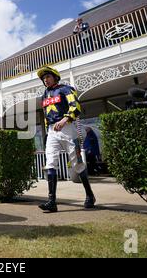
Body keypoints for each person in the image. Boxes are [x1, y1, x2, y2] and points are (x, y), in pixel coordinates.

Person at [37, 66, 96, 213]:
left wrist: (64, 120)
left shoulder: (65, 89)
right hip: (51, 131)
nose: (45, 80)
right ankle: (52, 201)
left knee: (77, 163)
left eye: (48, 77)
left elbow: (75, 107)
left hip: (67, 128)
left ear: (55, 77)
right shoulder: (45, 94)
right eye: (43, 78)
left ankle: (90, 196)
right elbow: (46, 114)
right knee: (50, 163)